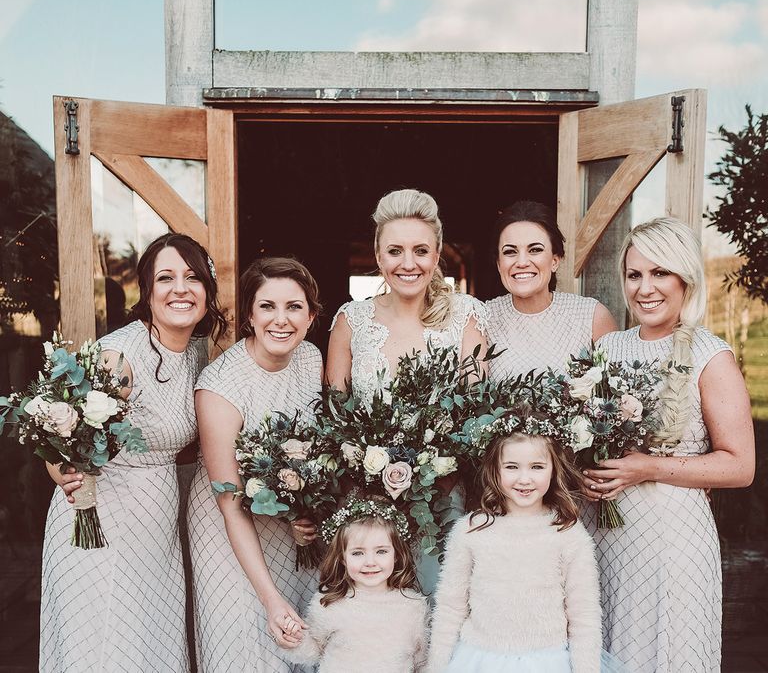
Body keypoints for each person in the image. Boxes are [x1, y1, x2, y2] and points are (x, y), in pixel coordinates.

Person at [40, 233, 226, 672]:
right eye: (166, 278)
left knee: (149, 640)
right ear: (147, 291)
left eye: (192, 277)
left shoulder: (200, 352)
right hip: (100, 518)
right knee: (104, 644)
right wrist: (60, 472)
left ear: (207, 290)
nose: (180, 288)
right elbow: (58, 428)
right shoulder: (119, 357)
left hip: (156, 525)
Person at [581, 217, 755, 672]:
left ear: (685, 279)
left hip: (674, 544)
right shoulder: (607, 349)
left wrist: (649, 467)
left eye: (660, 273)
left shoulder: (708, 355)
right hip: (605, 536)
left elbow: (740, 466)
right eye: (635, 274)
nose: (645, 288)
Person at [325, 188, 487, 593]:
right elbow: (334, 417)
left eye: (420, 251)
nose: (408, 263)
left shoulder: (467, 315)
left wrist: (434, 477)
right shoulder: (352, 320)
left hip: (444, 499)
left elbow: (476, 414)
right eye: (395, 251)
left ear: (436, 255)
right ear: (378, 257)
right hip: (365, 503)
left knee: (439, 609)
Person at [188, 257, 324, 672]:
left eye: (294, 307)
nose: (281, 320)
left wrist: (309, 514)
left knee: (299, 641)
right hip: (227, 527)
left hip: (288, 534)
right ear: (249, 314)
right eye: (267, 306)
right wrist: (270, 599)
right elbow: (229, 503)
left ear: (312, 315)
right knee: (247, 641)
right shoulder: (219, 386)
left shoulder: (311, 359)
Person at [427, 431, 603, 673]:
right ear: (494, 470)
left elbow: (584, 616)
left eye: (537, 467)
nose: (524, 479)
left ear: (554, 469)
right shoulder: (471, 530)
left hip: (547, 662)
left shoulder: (568, 533)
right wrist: (437, 667)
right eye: (511, 467)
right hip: (479, 661)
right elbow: (450, 608)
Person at [283, 499, 428, 672]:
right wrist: (296, 639)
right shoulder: (329, 602)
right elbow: (312, 652)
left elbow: (422, 662)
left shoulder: (413, 605)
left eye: (381, 551)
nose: (370, 562)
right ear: (343, 558)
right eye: (358, 553)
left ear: (396, 555)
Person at [485, 201, 616, 380]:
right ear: (499, 264)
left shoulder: (591, 317)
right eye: (510, 252)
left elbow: (616, 393)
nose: (522, 262)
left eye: (535, 250)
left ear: (555, 260)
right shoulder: (482, 320)